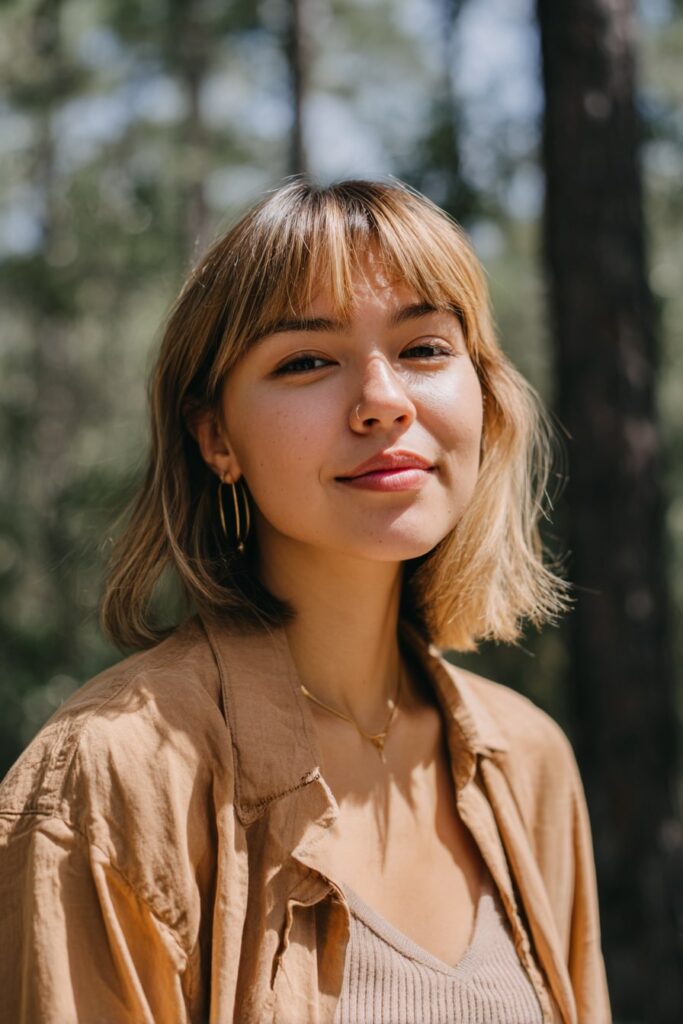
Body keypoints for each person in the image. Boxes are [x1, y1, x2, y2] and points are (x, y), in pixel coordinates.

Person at [0, 178, 611, 1024]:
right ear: (216, 437)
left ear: (485, 396)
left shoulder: (527, 761)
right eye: (306, 361)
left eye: (425, 348)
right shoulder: (111, 781)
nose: (383, 401)